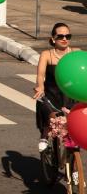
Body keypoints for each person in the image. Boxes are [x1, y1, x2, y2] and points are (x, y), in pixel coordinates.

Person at [33, 23, 77, 152]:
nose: (64, 39)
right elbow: (40, 75)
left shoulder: (76, 53)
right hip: (51, 94)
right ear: (53, 39)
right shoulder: (47, 55)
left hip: (70, 96)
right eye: (60, 36)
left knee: (72, 134)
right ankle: (44, 135)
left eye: (68, 36)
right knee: (49, 111)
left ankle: (74, 168)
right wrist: (40, 87)